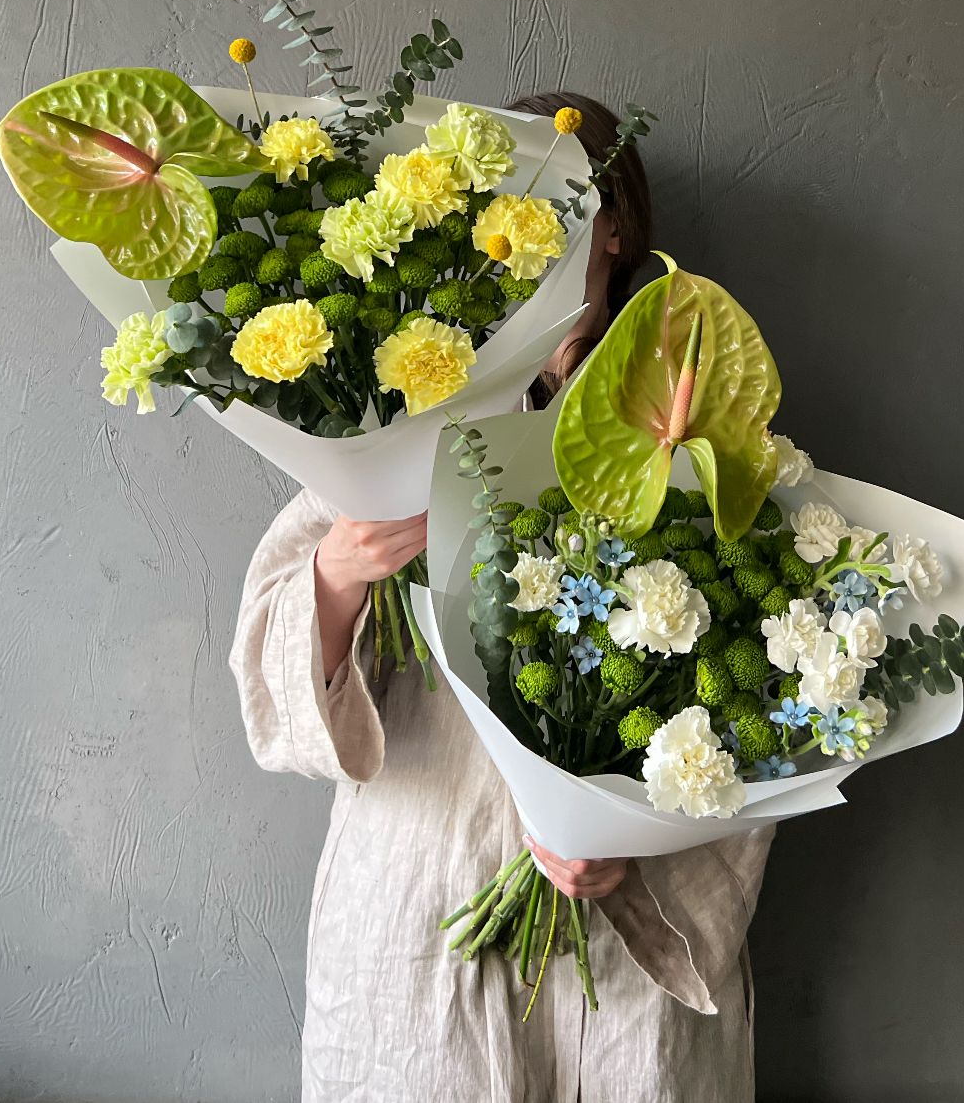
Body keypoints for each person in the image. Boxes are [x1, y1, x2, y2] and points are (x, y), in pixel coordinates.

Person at [230, 92, 775, 1102]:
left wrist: (634, 859)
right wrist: (341, 570)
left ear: (615, 224)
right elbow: (276, 683)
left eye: (555, 192)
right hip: (419, 894)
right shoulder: (404, 393)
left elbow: (774, 688)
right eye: (499, 199)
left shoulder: (700, 415)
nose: (528, 221)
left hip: (615, 934)